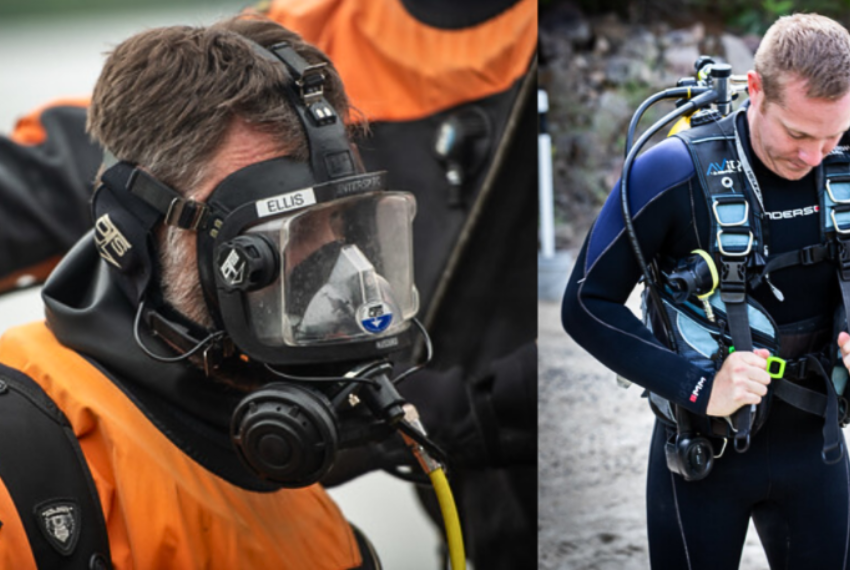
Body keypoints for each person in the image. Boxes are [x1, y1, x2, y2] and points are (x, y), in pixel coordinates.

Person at [0, 2, 538, 568]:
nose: (344, 273)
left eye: (346, 223)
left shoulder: (335, 544)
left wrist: (474, 410)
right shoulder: (30, 459)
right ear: (130, 228)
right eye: (277, 236)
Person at [562, 14, 850, 570]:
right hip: (701, 453)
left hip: (818, 447)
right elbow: (584, 303)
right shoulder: (671, 172)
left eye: (831, 134)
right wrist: (697, 388)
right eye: (797, 134)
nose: (815, 156)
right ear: (757, 89)